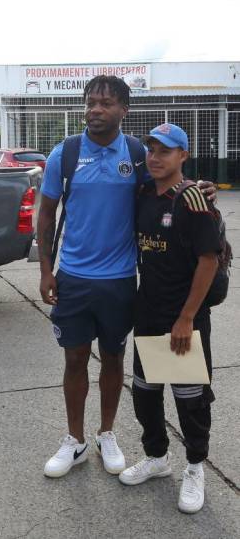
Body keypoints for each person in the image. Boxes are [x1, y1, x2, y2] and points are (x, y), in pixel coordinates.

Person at [37, 76, 215, 480]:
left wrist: (201, 188)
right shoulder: (63, 155)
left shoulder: (137, 154)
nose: (95, 109)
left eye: (105, 103)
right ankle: (75, 440)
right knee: (75, 359)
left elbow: (169, 186)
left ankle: (107, 433)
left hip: (120, 281)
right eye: (90, 102)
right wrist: (47, 270)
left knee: (115, 359)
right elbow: (46, 214)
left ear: (123, 110)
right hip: (74, 279)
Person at [118, 123, 220, 515]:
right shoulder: (144, 193)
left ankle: (195, 466)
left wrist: (187, 318)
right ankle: (157, 458)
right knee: (145, 392)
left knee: (190, 398)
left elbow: (208, 261)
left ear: (183, 156)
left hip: (185, 317)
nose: (156, 157)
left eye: (165, 151)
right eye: (151, 150)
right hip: (149, 312)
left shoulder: (193, 199)